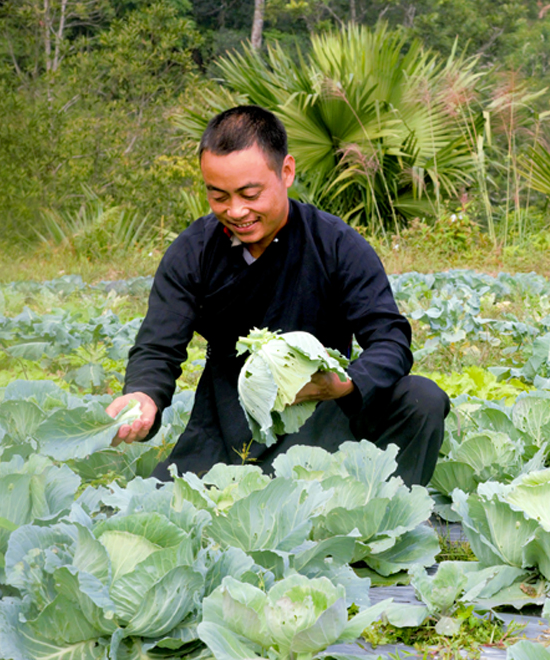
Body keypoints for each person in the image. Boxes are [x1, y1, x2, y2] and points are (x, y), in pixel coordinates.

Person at [105, 105, 449, 486]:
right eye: (218, 196)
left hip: (324, 417)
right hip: (228, 426)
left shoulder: (336, 244)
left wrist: (345, 384)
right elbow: (158, 344)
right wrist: (144, 396)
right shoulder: (193, 252)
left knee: (422, 399)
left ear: (286, 172)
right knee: (169, 516)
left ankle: (385, 516)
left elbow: (390, 340)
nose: (236, 210)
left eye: (249, 193)